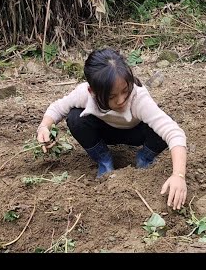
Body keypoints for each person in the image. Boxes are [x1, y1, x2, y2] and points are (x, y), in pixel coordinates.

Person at [36, 48, 187, 209]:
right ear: (92, 92)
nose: (121, 100)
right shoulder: (84, 94)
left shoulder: (139, 98)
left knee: (165, 125)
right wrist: (44, 127)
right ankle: (104, 160)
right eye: (111, 96)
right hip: (104, 132)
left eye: (125, 91)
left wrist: (178, 175)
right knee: (75, 118)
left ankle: (145, 159)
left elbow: (174, 133)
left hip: (136, 132)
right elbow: (57, 108)